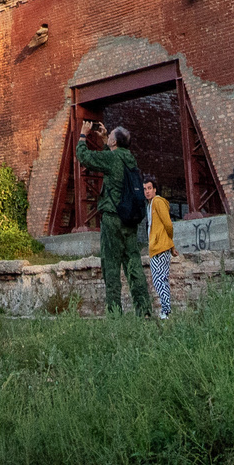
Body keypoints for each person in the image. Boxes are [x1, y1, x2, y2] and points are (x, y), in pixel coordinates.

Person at [74, 118, 154, 317]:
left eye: (109, 136)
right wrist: (104, 141)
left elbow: (84, 157)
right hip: (130, 220)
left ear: (115, 143)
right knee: (133, 264)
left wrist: (83, 134)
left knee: (111, 267)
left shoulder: (112, 158)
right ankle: (143, 311)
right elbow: (114, 162)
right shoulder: (130, 159)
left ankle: (115, 315)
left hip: (112, 218)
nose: (107, 135)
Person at [142, 177, 175, 320]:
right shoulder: (150, 205)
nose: (147, 191)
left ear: (155, 189)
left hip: (159, 247)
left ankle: (166, 310)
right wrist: (171, 245)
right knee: (161, 279)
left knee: (158, 280)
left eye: (149, 188)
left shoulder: (158, 202)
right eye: (145, 189)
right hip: (158, 247)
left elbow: (168, 224)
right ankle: (166, 310)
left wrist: (168, 241)